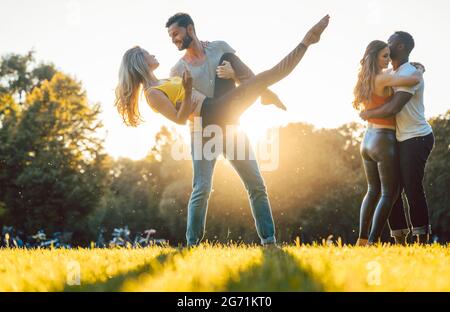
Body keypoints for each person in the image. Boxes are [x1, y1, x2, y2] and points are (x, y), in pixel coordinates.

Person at [114, 14, 330, 247]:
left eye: (175, 34)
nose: (157, 51)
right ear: (140, 61)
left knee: (255, 184)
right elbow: (179, 118)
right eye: (148, 53)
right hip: (205, 124)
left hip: (221, 114)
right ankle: (192, 243)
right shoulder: (154, 92)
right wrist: (187, 91)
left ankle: (269, 241)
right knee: (202, 189)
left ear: (190, 29)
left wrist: (233, 75)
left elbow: (214, 81)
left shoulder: (165, 78)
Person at [360, 31, 434, 244]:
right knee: (391, 189)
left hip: (416, 137)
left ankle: (422, 238)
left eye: (391, 41)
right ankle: (399, 238)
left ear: (400, 46)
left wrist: (368, 114)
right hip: (399, 138)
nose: (387, 43)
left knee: (412, 187)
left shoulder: (409, 72)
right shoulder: (394, 72)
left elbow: (394, 107)